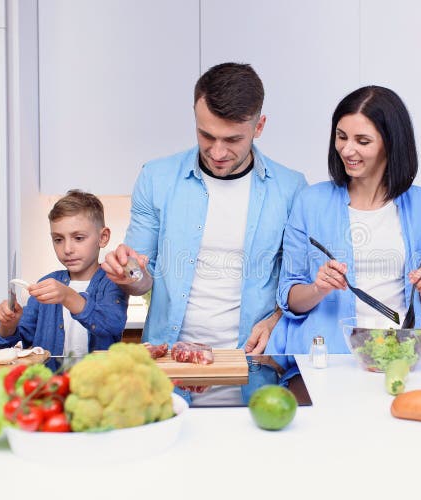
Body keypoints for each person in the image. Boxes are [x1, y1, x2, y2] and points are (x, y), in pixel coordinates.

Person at [102, 62, 307, 405]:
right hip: (166, 372)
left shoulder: (292, 189)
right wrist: (128, 273)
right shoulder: (157, 178)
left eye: (232, 139)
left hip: (253, 368)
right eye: (206, 135)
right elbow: (141, 277)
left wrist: (274, 322)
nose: (217, 152)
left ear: (259, 126)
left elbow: (296, 288)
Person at [267, 85, 421, 355]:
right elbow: (289, 299)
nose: (347, 150)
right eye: (341, 137)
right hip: (325, 356)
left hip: (397, 354)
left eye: (362, 141)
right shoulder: (310, 202)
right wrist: (318, 287)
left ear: (391, 143)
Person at [0, 190, 128, 369]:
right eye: (58, 239)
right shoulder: (47, 282)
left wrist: (67, 296)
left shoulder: (112, 281)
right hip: (50, 388)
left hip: (98, 390)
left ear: (103, 238)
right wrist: (8, 326)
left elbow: (111, 326)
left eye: (78, 238)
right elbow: (6, 348)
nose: (67, 249)